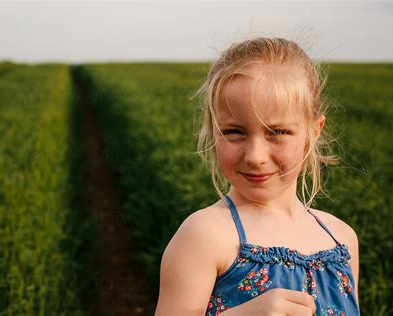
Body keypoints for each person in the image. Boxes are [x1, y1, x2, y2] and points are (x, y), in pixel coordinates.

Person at [154, 37, 360, 316]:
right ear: (214, 131)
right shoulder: (204, 235)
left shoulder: (341, 239)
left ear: (315, 130)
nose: (255, 156)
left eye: (278, 132)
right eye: (234, 132)